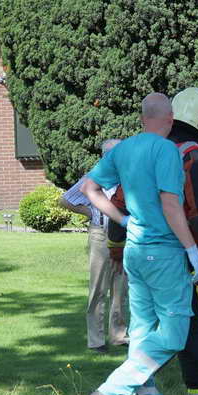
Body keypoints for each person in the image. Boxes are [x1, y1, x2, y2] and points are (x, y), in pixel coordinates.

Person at [81, 92, 198, 395]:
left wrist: (122, 220)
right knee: (174, 335)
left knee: (141, 333)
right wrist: (192, 250)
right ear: (170, 120)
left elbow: (90, 189)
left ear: (142, 118)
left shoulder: (122, 149)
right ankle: (113, 391)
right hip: (164, 254)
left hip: (135, 253)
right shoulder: (167, 149)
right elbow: (170, 204)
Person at [105, 87, 198, 395]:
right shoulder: (193, 158)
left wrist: (115, 246)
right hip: (170, 257)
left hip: (138, 255)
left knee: (148, 329)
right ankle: (115, 391)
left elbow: (118, 202)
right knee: (182, 329)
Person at [60, 139, 128, 354]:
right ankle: (96, 340)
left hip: (124, 237)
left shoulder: (126, 177)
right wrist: (88, 212)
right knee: (98, 287)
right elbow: (65, 199)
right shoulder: (93, 176)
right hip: (101, 235)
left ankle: (118, 335)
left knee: (121, 288)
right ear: (105, 156)